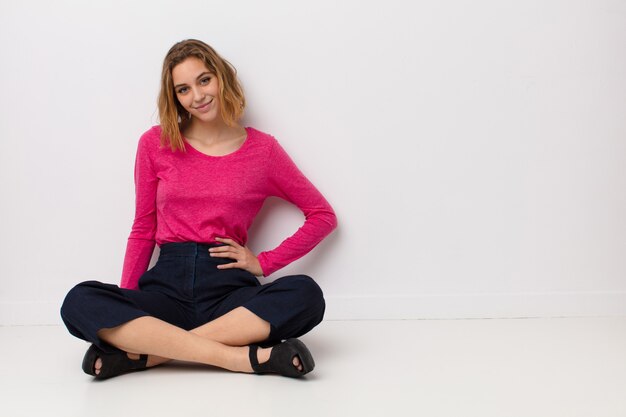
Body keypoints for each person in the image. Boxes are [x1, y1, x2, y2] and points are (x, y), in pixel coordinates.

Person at [60, 39, 337, 380]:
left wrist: (263, 262)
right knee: (79, 300)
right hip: (165, 289)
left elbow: (323, 216)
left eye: (204, 80)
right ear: (174, 97)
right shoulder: (155, 143)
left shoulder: (263, 150)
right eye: (183, 89)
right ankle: (243, 359)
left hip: (228, 291)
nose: (198, 96)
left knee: (306, 295)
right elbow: (143, 228)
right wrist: (127, 304)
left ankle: (145, 354)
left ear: (222, 79)